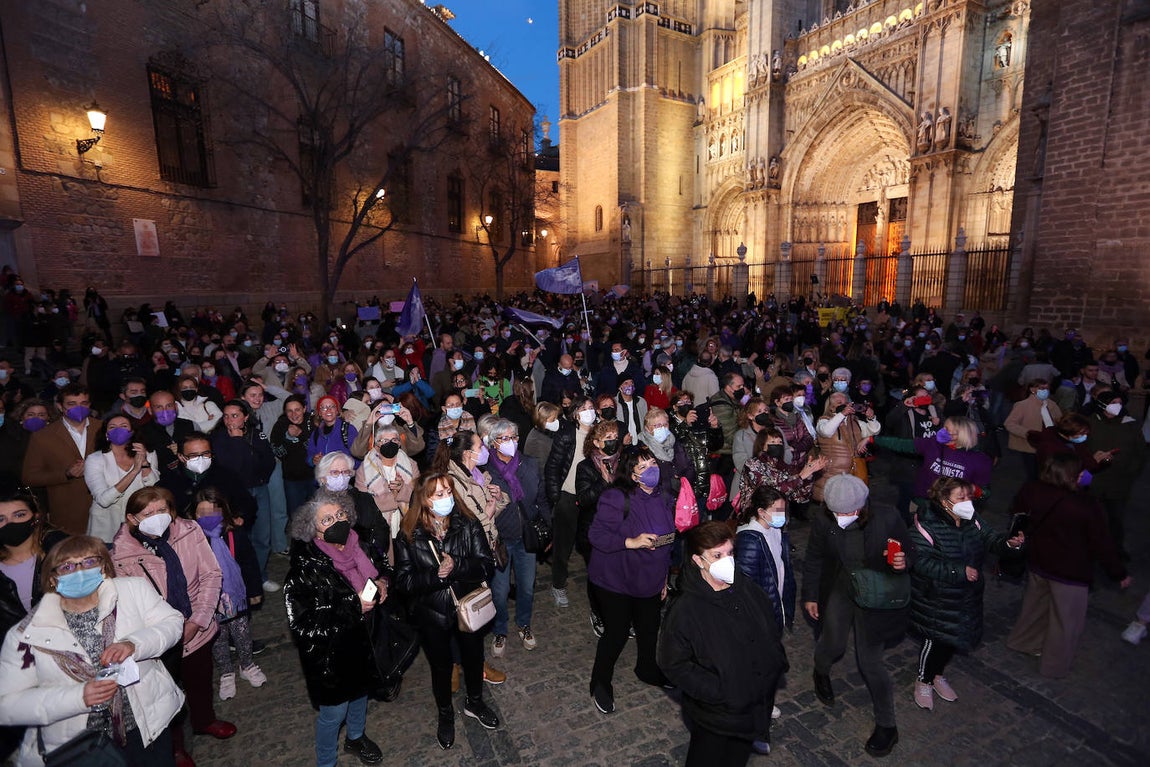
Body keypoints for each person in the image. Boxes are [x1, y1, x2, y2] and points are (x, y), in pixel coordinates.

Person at [0, 535, 185, 766]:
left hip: (147, 726)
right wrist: (78, 697)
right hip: (81, 745)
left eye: (89, 562)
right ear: (52, 579)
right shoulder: (27, 633)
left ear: (104, 567)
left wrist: (134, 644)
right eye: (67, 566)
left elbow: (172, 622)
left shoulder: (132, 590)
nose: (79, 571)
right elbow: (7, 705)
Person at [111, 487, 236, 759]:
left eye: (162, 510)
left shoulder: (189, 531)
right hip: (156, 635)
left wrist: (198, 621)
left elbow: (211, 575)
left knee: (200, 679)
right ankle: (176, 747)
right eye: (148, 513)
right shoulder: (121, 555)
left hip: (196, 625)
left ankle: (204, 721)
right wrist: (168, 631)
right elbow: (131, 605)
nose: (157, 517)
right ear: (132, 518)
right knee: (164, 692)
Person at [659, 521, 788, 766]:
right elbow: (673, 663)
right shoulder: (686, 609)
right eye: (717, 555)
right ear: (698, 560)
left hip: (752, 709)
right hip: (716, 715)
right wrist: (719, 691)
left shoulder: (747, 588)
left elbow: (769, 629)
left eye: (729, 553)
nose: (726, 560)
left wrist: (773, 664)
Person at [802, 474, 910, 758]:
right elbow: (814, 557)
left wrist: (902, 561)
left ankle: (888, 726)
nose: (845, 517)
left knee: (871, 662)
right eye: (839, 512)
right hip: (841, 586)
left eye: (851, 511)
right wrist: (811, 595)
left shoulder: (886, 516)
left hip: (874, 592)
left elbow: (909, 549)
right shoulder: (825, 520)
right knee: (833, 642)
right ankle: (821, 670)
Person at [393, 472, 499, 750]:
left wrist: (458, 566)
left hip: (468, 606)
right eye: (438, 494)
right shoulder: (408, 533)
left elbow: (486, 565)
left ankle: (475, 702)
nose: (446, 499)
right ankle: (445, 715)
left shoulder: (468, 523)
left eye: (448, 492)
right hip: (433, 615)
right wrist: (436, 576)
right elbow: (403, 582)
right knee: (441, 668)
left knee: (474, 658)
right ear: (425, 499)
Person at [283, 491, 387, 767]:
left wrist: (383, 582)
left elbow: (380, 568)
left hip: (363, 638)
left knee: (361, 694)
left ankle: (356, 737)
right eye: (326, 520)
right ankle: (326, 762)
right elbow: (303, 626)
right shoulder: (305, 569)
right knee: (334, 712)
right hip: (331, 653)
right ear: (313, 531)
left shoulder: (357, 542)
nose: (337, 522)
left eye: (340, 515)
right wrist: (354, 608)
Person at [1006, 453, 1131, 677]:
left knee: (1034, 608)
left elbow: (1016, 512)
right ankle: (1053, 666)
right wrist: (1118, 573)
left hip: (1038, 561)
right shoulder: (1085, 505)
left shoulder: (1032, 489)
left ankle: (1023, 642)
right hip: (1070, 572)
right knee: (1065, 622)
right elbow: (1102, 543)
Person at [907, 478, 1023, 710]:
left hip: (965, 596)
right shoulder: (925, 525)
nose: (967, 502)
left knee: (953, 638)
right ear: (943, 499)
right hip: (936, 598)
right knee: (936, 640)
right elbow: (919, 562)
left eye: (969, 497)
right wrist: (958, 571)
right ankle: (924, 680)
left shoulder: (972, 520)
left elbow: (991, 539)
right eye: (961, 497)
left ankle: (937, 675)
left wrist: (1009, 545)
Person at [587, 446, 675, 715]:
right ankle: (600, 682)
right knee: (616, 632)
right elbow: (596, 536)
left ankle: (647, 668)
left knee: (650, 627)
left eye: (652, 462)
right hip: (616, 579)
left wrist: (663, 579)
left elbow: (669, 542)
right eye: (643, 466)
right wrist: (631, 542)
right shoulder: (616, 498)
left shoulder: (664, 496)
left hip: (649, 578)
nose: (652, 469)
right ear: (633, 476)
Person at [191, 488, 265, 702]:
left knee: (242, 633)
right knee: (218, 638)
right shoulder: (193, 541)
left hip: (236, 596)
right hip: (209, 600)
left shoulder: (234, 533)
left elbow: (249, 562)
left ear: (223, 512)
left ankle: (247, 664)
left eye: (212, 512)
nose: (207, 517)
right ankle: (226, 672)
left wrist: (254, 590)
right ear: (193, 515)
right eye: (201, 512)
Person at [484, 418, 548, 657]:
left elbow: (541, 499)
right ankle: (500, 629)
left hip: (526, 538)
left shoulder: (529, 464)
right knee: (499, 592)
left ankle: (524, 624)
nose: (510, 442)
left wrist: (548, 528)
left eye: (514, 437)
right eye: (504, 438)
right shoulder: (485, 471)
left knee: (527, 588)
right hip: (500, 539)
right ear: (493, 443)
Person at [21, 383, 102, 535]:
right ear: (60, 406)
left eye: (83, 403)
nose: (79, 408)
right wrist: (66, 474)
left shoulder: (103, 428)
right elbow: (29, 477)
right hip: (67, 513)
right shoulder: (43, 436)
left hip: (105, 510)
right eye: (72, 404)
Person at [543, 396, 598, 608]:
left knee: (592, 544)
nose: (589, 412)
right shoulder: (567, 434)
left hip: (591, 497)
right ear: (576, 413)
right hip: (568, 496)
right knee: (563, 545)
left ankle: (597, 583)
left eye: (591, 408)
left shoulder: (599, 435)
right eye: (584, 408)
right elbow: (553, 468)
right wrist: (556, 498)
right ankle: (558, 585)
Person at [83, 415, 160, 543]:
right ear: (106, 434)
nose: (118, 430)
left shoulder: (149, 454)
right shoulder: (95, 459)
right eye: (112, 427)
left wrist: (145, 463)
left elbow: (154, 488)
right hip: (105, 530)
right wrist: (135, 470)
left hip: (141, 526)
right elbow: (103, 500)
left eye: (124, 426)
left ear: (132, 431)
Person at [812, 391, 880, 503]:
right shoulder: (823, 420)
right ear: (831, 407)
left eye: (846, 402)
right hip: (831, 473)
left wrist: (871, 418)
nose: (844, 405)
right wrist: (842, 414)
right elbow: (826, 432)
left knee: (848, 506)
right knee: (830, 506)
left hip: (851, 473)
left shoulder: (854, 421)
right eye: (839, 402)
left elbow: (874, 431)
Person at [913, 415, 994, 501]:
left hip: (953, 510)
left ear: (961, 435)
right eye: (943, 427)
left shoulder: (980, 460)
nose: (942, 431)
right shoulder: (933, 443)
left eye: (947, 430)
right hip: (924, 501)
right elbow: (903, 445)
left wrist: (973, 489)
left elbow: (986, 492)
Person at [1004, 379, 1061, 479]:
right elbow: (1009, 424)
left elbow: (1060, 421)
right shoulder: (1022, 405)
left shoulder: (1052, 405)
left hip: (1049, 444)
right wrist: (1027, 433)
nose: (1045, 391)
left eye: (1047, 388)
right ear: (1032, 389)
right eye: (1041, 388)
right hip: (1031, 446)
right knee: (1033, 474)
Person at [523, 401, 560, 470]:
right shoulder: (537, 441)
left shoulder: (544, 432)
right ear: (543, 421)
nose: (556, 421)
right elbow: (541, 468)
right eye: (553, 420)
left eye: (556, 418)